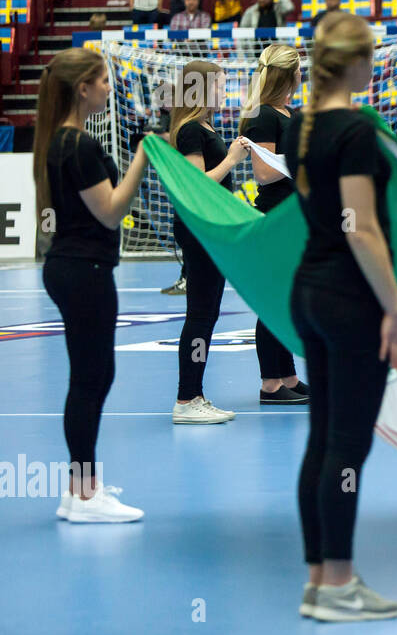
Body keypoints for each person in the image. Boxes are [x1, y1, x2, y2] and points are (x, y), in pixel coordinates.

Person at [283, 12, 397, 621]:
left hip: (309, 291)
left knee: (323, 441)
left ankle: (317, 579)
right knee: (347, 448)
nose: (374, 64)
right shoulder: (354, 129)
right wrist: (394, 306)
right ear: (355, 63)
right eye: (371, 55)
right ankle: (339, 584)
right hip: (350, 299)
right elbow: (361, 230)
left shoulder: (302, 130)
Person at [35, 49, 157, 522]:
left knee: (89, 377)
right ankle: (85, 496)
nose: (109, 87)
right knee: (92, 379)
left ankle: (78, 490)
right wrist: (144, 155)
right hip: (83, 272)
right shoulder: (77, 146)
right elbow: (110, 210)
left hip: (73, 269)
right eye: (103, 81)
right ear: (82, 88)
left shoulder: (63, 142)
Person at [167, 61, 247, 425]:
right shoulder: (189, 131)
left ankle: (194, 393)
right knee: (200, 313)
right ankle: (186, 398)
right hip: (198, 230)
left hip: (209, 230)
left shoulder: (202, 126)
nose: (224, 90)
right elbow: (197, 185)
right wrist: (231, 159)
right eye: (219, 84)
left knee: (208, 313)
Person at [237, 45, 310, 404]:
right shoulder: (265, 115)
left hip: (291, 214)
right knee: (276, 301)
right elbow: (264, 173)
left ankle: (288, 376)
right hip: (275, 214)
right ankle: (270, 383)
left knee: (288, 300)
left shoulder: (285, 111)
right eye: (299, 68)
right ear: (290, 74)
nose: (303, 72)